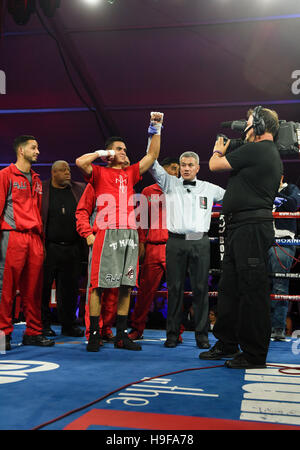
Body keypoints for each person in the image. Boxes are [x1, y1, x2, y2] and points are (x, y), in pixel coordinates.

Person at [200, 106, 283, 369]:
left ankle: (254, 354)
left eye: (248, 123)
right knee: (230, 287)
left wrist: (217, 148)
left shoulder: (259, 149)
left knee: (251, 291)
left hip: (251, 227)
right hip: (240, 227)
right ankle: (227, 342)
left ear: (259, 126)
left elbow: (214, 165)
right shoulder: (258, 151)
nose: (244, 128)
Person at [75, 112, 164, 352]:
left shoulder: (130, 173)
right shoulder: (99, 173)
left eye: (125, 148)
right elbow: (80, 162)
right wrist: (105, 153)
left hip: (130, 234)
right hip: (106, 231)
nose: (124, 151)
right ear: (109, 153)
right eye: (119, 148)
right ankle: (94, 334)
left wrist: (156, 127)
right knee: (98, 286)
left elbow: (152, 155)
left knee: (126, 284)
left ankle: (121, 335)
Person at [149, 151, 225, 348]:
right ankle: (172, 335)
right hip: (175, 242)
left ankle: (202, 335)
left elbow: (233, 198)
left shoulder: (209, 188)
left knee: (201, 289)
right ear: (180, 167)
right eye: (183, 165)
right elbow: (152, 163)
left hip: (199, 242)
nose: (186, 168)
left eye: (191, 165)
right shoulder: (170, 184)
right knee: (174, 289)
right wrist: (153, 129)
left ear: (198, 168)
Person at [0, 135, 54, 350]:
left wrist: (40, 240)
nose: (37, 151)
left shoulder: (37, 180)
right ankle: (3, 335)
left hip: (34, 239)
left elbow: (38, 214)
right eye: (33, 147)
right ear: (21, 150)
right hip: (12, 236)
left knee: (34, 290)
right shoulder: (5, 175)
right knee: (5, 289)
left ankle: (33, 332)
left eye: (38, 147)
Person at [75, 156, 131, 343]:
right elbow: (82, 211)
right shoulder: (97, 182)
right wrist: (88, 234)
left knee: (116, 289)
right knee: (97, 286)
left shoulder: (127, 188)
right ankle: (93, 331)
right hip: (101, 239)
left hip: (122, 241)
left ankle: (106, 328)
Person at [128, 157, 180, 341]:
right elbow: (141, 223)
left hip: (175, 246)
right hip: (152, 247)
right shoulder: (147, 191)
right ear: (162, 169)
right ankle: (137, 328)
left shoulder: (181, 190)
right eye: (173, 168)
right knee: (144, 292)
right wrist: (141, 244)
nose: (177, 172)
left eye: (178, 169)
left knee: (176, 291)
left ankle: (176, 331)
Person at [41, 160, 86, 337]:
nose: (67, 172)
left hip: (72, 247)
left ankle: (69, 325)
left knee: (70, 289)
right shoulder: (42, 190)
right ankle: (43, 325)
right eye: (62, 170)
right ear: (53, 173)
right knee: (43, 289)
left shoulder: (78, 188)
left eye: (68, 169)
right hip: (49, 248)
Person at [268, 175, 300, 340]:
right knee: (257, 286)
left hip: (283, 242)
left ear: (279, 176)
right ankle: (261, 327)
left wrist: (270, 194)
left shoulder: (292, 188)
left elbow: (293, 204)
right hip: (263, 240)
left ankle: (278, 328)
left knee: (280, 286)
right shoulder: (263, 189)